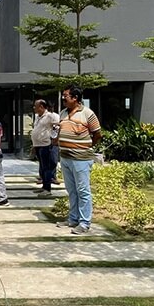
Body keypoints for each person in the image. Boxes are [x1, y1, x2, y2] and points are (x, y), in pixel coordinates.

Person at [55, 84, 102, 234]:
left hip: (81, 159)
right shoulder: (62, 113)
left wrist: (85, 147)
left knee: (83, 190)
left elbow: (97, 134)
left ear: (75, 98)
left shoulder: (88, 114)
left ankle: (84, 223)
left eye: (66, 96)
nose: (63, 98)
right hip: (65, 157)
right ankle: (73, 219)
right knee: (71, 190)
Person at [31, 99, 59, 198]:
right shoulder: (37, 117)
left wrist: (55, 139)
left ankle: (48, 189)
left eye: (36, 106)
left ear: (42, 107)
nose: (34, 108)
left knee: (47, 167)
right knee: (42, 167)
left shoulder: (50, 116)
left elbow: (57, 127)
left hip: (46, 145)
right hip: (38, 145)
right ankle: (44, 186)